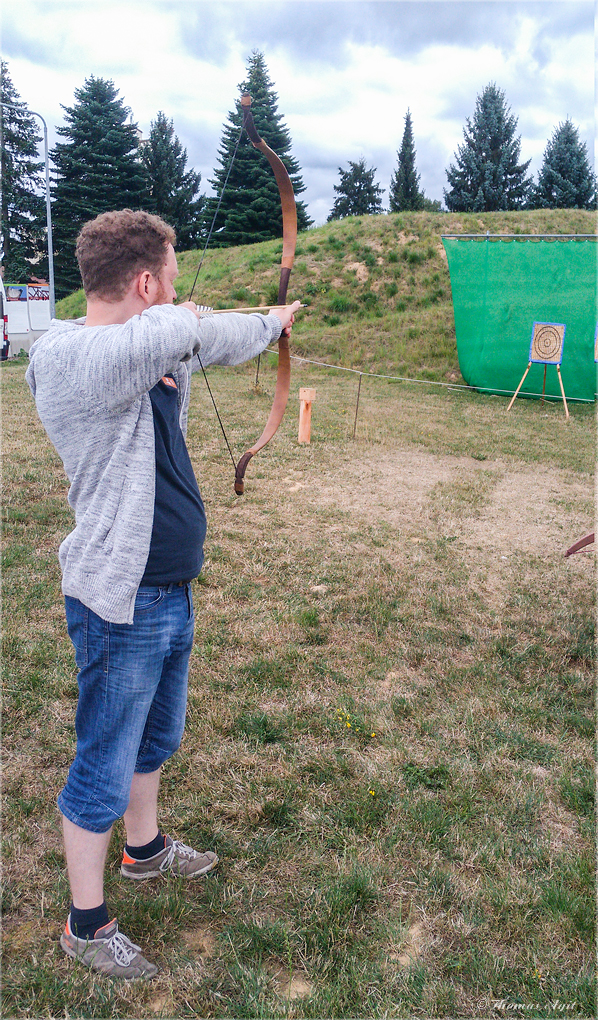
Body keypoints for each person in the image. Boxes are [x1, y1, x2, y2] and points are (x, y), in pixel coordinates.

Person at [26, 209, 300, 979]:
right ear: (145, 282)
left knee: (157, 737)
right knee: (102, 762)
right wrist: (263, 319)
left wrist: (236, 325)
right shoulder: (74, 354)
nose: (179, 295)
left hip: (168, 586)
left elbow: (182, 338)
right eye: (172, 280)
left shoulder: (145, 347)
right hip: (121, 596)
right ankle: (86, 924)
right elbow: (169, 333)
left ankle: (143, 849)